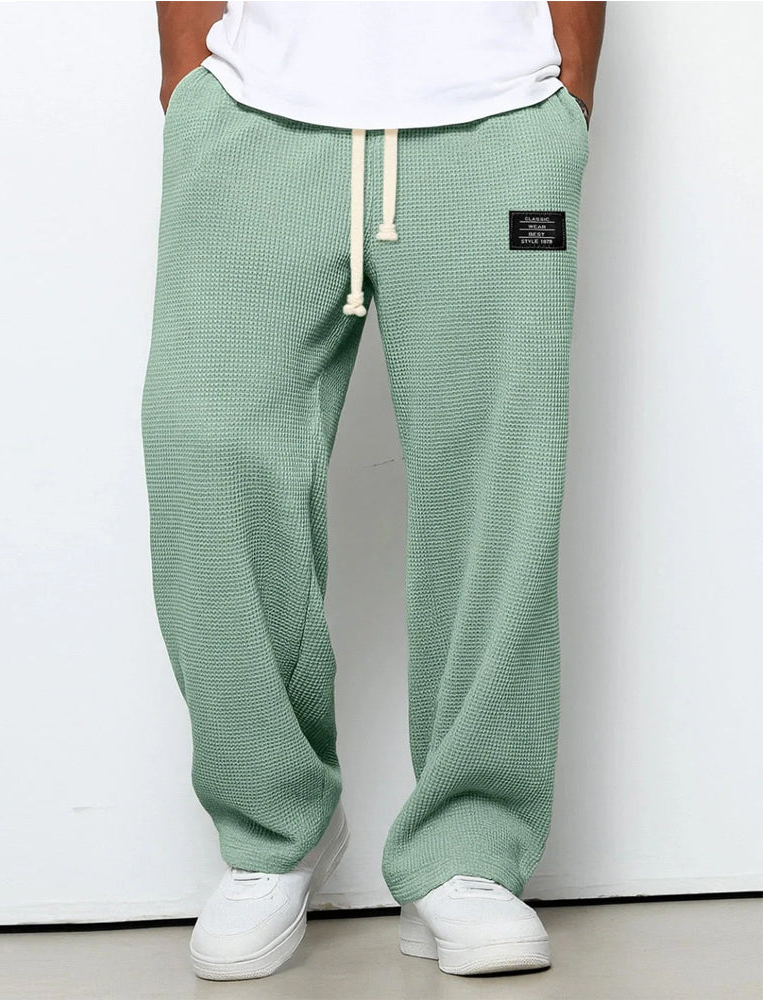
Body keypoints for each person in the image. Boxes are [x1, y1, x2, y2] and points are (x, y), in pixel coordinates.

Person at [142, 0, 605, 981]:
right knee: (205, 457)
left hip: (499, 119)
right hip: (254, 109)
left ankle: (469, 848)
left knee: (499, 482)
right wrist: (188, 69)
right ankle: (274, 829)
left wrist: (567, 85)